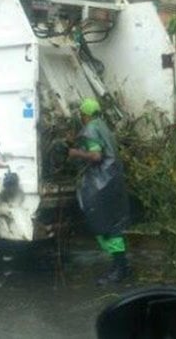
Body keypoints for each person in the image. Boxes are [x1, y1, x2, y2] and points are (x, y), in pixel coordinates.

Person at [69, 98, 132, 285]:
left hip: (101, 185)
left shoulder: (90, 129)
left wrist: (75, 153)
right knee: (113, 225)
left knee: (105, 226)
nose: (82, 117)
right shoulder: (103, 126)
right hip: (112, 182)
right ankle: (120, 266)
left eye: (82, 114)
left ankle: (119, 269)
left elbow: (96, 156)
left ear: (85, 114)